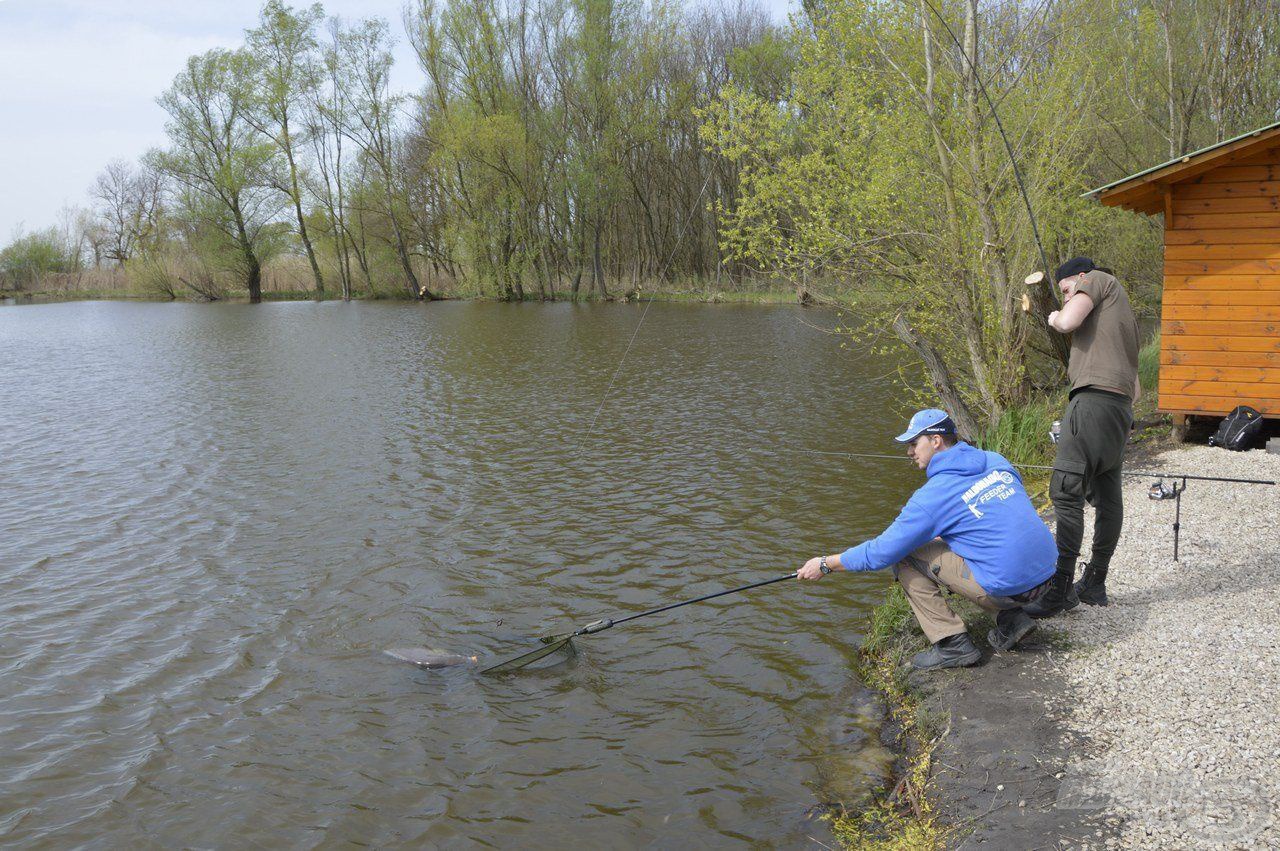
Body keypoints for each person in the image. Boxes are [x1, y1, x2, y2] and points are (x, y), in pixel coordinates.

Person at [798, 409, 1057, 670]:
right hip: (1047, 578)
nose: (910, 452)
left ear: (935, 441)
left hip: (1012, 587)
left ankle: (952, 644)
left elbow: (880, 553)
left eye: (914, 443)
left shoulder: (933, 496)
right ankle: (1011, 619)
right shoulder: (995, 459)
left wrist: (826, 563)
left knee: (905, 555)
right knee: (957, 543)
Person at [1024, 257, 1139, 618]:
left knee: (1065, 491)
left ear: (1081, 277)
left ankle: (1060, 589)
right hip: (1120, 410)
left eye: (1065, 289)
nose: (1066, 296)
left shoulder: (1100, 280)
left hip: (1091, 403)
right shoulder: (1123, 318)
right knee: (1107, 495)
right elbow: (1135, 388)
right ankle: (1095, 582)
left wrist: (1053, 317)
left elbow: (1068, 320)